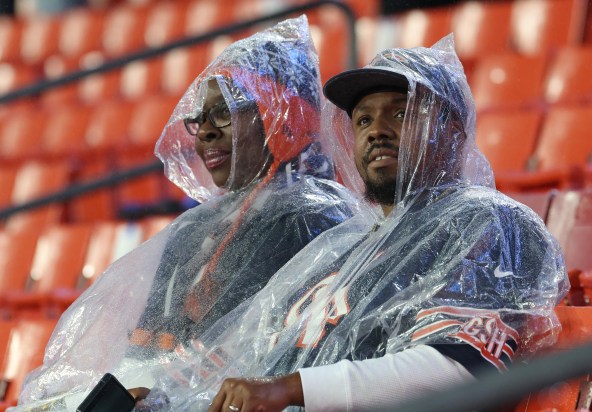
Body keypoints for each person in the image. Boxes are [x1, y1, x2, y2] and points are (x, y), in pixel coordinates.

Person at [128, 33, 568, 412]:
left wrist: (291, 390)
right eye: (363, 119)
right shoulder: (344, 246)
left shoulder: (489, 222)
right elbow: (251, 363)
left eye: (401, 112)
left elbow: (461, 368)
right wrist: (170, 399)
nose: (376, 130)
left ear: (451, 132)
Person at [12, 16, 365, 411]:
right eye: (201, 119)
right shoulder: (195, 227)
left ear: (284, 118)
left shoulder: (315, 220)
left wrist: (162, 395)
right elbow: (148, 345)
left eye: (226, 113)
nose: (206, 132)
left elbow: (267, 361)